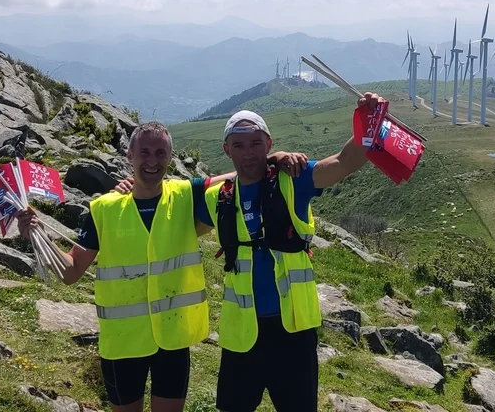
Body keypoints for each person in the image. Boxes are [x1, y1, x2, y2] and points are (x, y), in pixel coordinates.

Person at [17, 121, 306, 412]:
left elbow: (240, 176)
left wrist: (271, 159)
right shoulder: (103, 210)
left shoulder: (185, 195)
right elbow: (70, 272)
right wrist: (39, 236)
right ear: (130, 155)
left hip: (172, 341)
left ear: (170, 157)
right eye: (144, 152)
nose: (152, 161)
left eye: (160, 153)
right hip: (123, 343)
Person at [208, 95, 382, 412]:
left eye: (256, 143)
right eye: (238, 145)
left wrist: (370, 120)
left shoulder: (293, 179)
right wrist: (129, 185)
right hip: (242, 333)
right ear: (226, 150)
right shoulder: (217, 197)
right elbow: (169, 197)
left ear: (268, 142)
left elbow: (345, 162)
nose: (248, 152)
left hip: (292, 331)